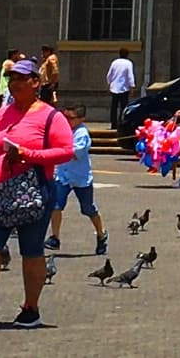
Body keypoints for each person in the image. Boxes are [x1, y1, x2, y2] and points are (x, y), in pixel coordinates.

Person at [0, 57, 74, 329]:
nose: (15, 84)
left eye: (22, 79)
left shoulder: (50, 116)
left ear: (36, 82)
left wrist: (27, 154)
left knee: (32, 250)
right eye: (12, 79)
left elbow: (66, 151)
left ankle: (31, 309)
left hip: (34, 191)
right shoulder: (1, 115)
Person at [45, 105, 108, 255]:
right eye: (64, 117)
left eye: (70, 118)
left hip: (80, 177)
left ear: (81, 119)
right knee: (56, 205)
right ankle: (55, 237)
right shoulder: (62, 130)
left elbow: (72, 153)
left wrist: (56, 149)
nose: (66, 121)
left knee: (88, 209)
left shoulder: (82, 134)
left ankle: (101, 234)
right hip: (63, 175)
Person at [105, 49, 136, 134]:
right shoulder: (128, 63)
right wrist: (132, 87)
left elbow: (109, 75)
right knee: (124, 107)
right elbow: (130, 75)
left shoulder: (114, 62)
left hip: (114, 87)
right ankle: (121, 122)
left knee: (114, 107)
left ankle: (113, 123)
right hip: (124, 88)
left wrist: (109, 84)